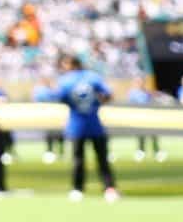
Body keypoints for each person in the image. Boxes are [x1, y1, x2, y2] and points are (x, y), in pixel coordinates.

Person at [56, 55, 119, 202]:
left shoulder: (65, 80)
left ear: (70, 65)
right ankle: (109, 188)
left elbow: (60, 98)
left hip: (76, 125)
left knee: (78, 159)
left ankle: (77, 189)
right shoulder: (93, 77)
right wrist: (97, 103)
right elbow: (108, 95)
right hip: (95, 123)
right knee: (102, 159)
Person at [126, 82, 160, 162]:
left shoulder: (146, 92)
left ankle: (157, 151)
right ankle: (141, 151)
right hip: (139, 117)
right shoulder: (133, 93)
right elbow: (131, 104)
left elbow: (151, 102)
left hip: (148, 116)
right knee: (140, 135)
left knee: (153, 134)